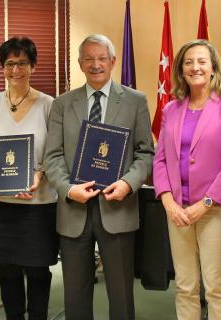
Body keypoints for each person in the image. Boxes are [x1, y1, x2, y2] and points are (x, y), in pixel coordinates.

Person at [43, 34, 154, 320]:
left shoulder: (134, 101)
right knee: (76, 296)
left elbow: (145, 153)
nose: (95, 65)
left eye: (101, 58)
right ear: (80, 64)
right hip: (73, 209)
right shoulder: (62, 104)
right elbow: (52, 156)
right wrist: (68, 189)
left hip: (118, 206)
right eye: (88, 59)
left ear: (113, 61)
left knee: (121, 297)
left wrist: (128, 183)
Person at [152, 39, 221, 320]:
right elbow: (161, 160)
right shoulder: (171, 109)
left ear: (213, 67)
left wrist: (204, 204)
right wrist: (169, 202)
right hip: (177, 210)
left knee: (215, 284)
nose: (195, 67)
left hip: (214, 209)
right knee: (184, 284)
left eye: (201, 61)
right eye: (188, 62)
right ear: (181, 70)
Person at [0, 37, 59, 320]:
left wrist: (37, 176)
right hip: (0, 205)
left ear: (33, 66)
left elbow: (54, 153)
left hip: (38, 204)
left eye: (22, 63)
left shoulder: (49, 104)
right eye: (10, 63)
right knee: (8, 270)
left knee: (37, 269)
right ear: (3, 68)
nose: (16, 70)